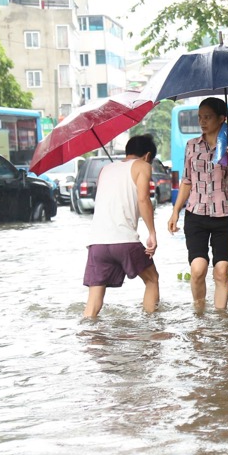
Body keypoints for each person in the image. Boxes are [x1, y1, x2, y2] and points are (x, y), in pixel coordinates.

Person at [168, 97, 228, 311]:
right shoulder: (191, 146)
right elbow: (186, 181)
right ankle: (199, 313)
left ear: (222, 119)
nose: (202, 122)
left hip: (224, 215)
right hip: (196, 215)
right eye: (200, 117)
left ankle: (221, 320)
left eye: (208, 117)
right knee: (198, 269)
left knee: (222, 269)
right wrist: (175, 213)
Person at [83, 134, 160, 318]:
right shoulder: (143, 166)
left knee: (93, 301)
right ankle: (152, 328)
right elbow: (143, 199)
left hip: (97, 244)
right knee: (152, 280)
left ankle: (89, 337)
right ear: (148, 155)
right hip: (124, 241)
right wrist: (152, 233)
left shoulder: (105, 169)